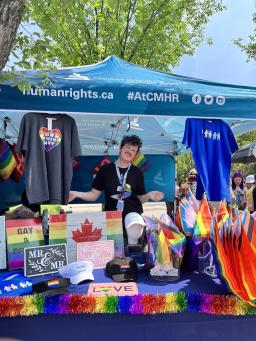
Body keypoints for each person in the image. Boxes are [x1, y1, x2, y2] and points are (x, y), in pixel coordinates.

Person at [68, 135, 164, 246]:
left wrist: (149, 195)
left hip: (134, 220)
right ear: (120, 149)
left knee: (134, 256)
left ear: (135, 155)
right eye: (128, 147)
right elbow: (93, 195)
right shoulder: (105, 170)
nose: (130, 151)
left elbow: (140, 199)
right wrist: (75, 194)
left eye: (134, 150)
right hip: (112, 220)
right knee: (115, 256)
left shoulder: (137, 172)